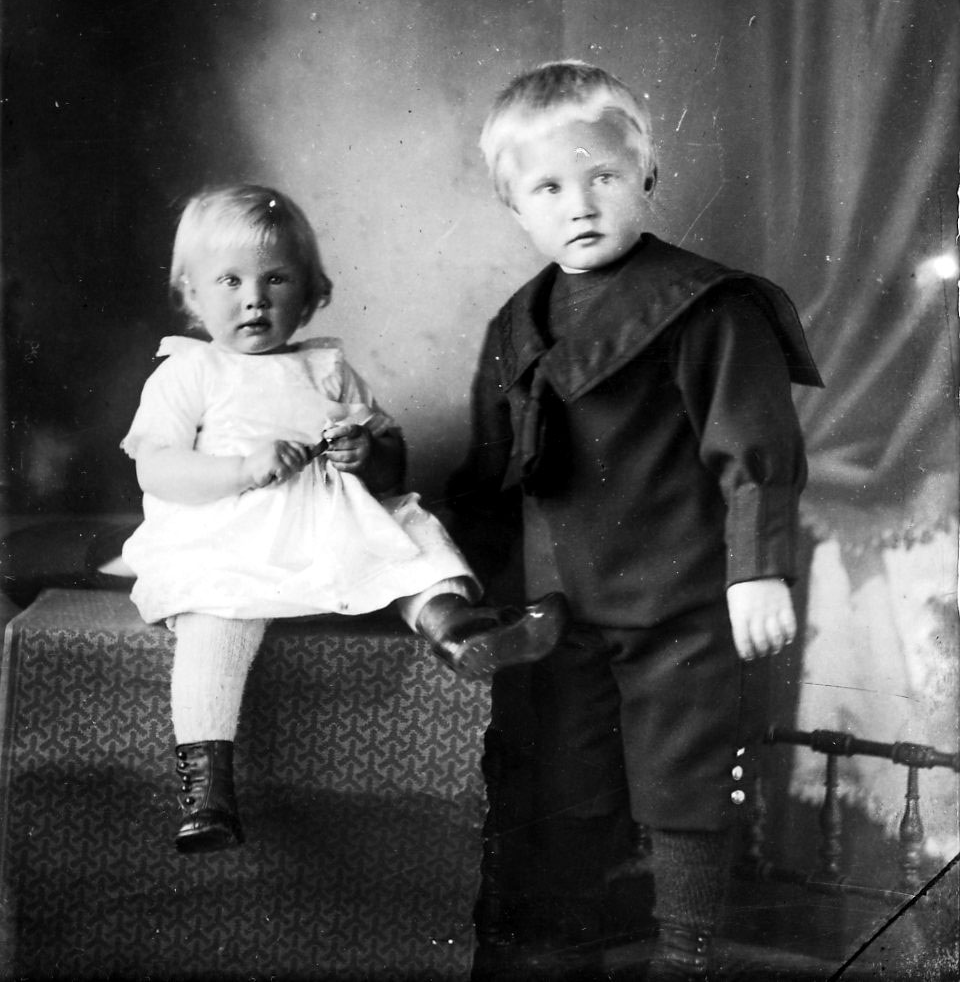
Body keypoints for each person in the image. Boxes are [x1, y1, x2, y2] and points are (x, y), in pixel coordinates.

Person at [449, 61, 822, 980]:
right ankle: (572, 947)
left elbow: (753, 443)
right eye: (548, 187)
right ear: (513, 204)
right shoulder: (516, 326)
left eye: (604, 176)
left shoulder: (707, 306)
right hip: (561, 607)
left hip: (679, 597)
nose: (580, 204)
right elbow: (491, 473)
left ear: (646, 172)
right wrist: (459, 582)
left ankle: (687, 953)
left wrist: (757, 568)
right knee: (565, 782)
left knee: (685, 779)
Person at [120, 183, 567, 855]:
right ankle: (207, 789)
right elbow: (156, 469)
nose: (254, 298)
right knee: (213, 622)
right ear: (191, 293)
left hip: (330, 528)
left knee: (411, 537)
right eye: (231, 281)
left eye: (276, 279)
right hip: (228, 538)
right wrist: (239, 470)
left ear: (311, 293)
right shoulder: (189, 372)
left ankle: (456, 630)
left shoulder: (328, 370)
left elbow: (392, 464)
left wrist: (369, 455)